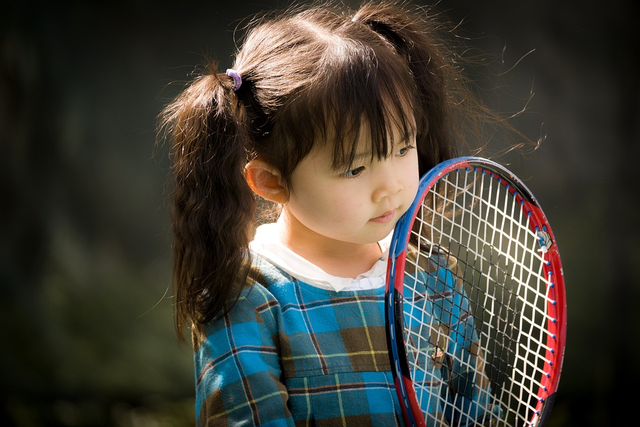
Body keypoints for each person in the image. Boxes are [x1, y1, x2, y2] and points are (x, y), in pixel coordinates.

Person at [161, 1, 522, 425]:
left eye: (403, 147)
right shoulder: (248, 298)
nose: (391, 185)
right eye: (355, 167)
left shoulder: (432, 276)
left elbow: (472, 408)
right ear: (272, 182)